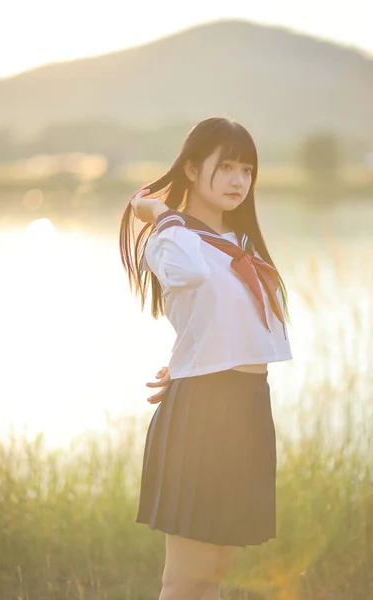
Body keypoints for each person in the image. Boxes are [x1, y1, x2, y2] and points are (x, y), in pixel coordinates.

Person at [118, 116, 293, 600]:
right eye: (228, 167)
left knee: (214, 573)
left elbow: (240, 328)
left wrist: (183, 360)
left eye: (248, 170)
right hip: (205, 411)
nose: (240, 181)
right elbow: (190, 276)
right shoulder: (169, 241)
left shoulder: (240, 243)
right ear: (192, 170)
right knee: (186, 578)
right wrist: (162, 215)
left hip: (247, 406)